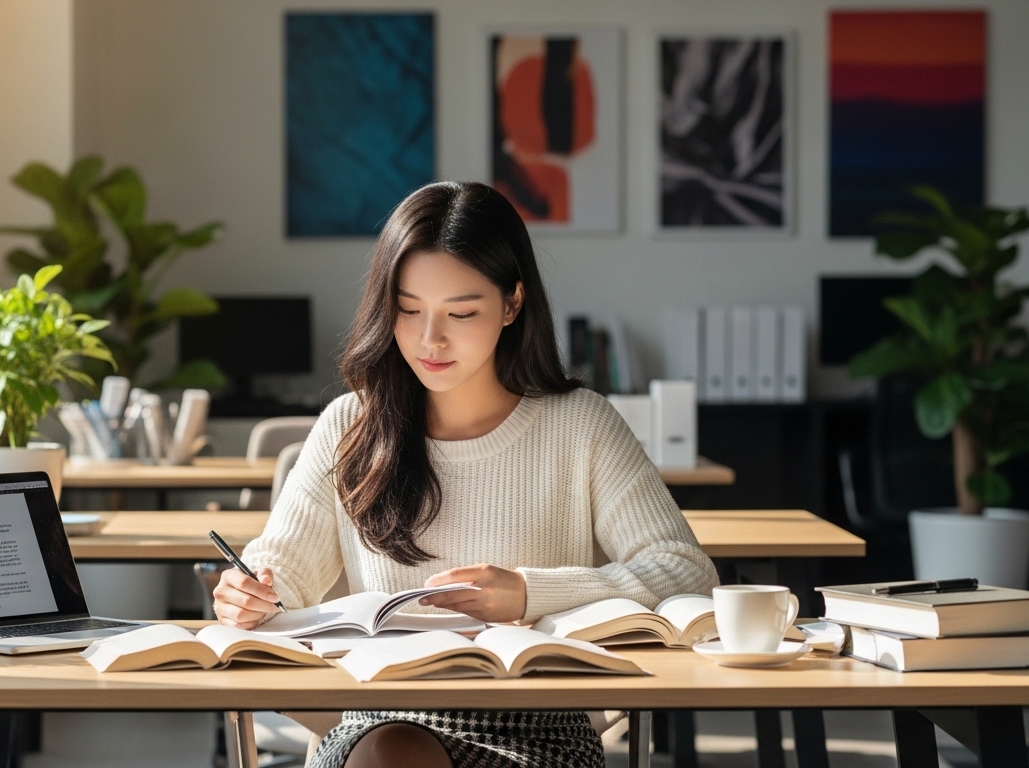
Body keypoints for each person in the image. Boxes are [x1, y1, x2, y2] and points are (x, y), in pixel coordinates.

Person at [213, 181, 719, 768]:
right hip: (379, 721)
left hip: (537, 729)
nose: (430, 339)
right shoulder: (350, 426)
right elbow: (282, 573)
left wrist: (530, 594)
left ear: (512, 303)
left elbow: (686, 572)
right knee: (393, 750)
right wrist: (250, 595)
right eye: (408, 310)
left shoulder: (581, 426)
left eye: (461, 312)